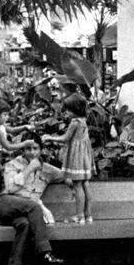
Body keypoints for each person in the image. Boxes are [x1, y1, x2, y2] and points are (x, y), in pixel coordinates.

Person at [0, 137, 65, 265]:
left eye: (35, 149)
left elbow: (68, 176)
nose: (32, 152)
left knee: (25, 225)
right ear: (23, 150)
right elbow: (11, 188)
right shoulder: (12, 165)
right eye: (28, 149)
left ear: (40, 150)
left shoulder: (47, 169)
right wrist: (29, 169)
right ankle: (45, 252)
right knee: (34, 206)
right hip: (6, 204)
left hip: (24, 214)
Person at [44, 94, 93, 224]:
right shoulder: (83, 120)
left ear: (75, 110)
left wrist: (50, 137)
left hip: (76, 156)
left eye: (68, 110)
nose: (66, 113)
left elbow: (65, 138)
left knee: (77, 185)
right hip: (85, 156)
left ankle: (79, 215)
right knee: (85, 184)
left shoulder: (74, 122)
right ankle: (88, 215)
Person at [0, 101, 33, 223]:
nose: (7, 117)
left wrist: (25, 127)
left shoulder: (2, 126)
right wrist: (25, 144)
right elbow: (8, 146)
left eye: (7, 114)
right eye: (4, 115)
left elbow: (13, 130)